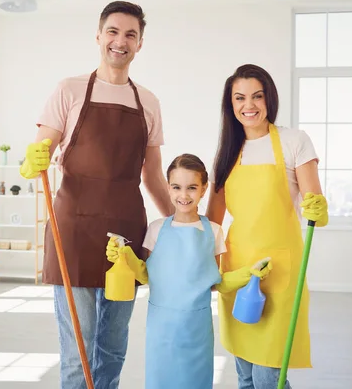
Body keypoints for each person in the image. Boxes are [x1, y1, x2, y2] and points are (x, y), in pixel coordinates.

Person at [19, 1, 174, 389]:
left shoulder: (148, 102)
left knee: (112, 346)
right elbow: (40, 153)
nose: (120, 42)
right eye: (113, 32)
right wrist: (30, 161)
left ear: (140, 44)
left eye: (130, 35)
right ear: (99, 35)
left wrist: (180, 222)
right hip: (73, 232)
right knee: (78, 351)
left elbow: (152, 174)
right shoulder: (68, 90)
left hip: (125, 236)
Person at [206, 64, 329, 389]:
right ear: (230, 105)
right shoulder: (228, 151)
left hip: (280, 272)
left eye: (257, 96)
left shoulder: (294, 140)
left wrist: (319, 208)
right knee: (245, 374)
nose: (249, 105)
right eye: (240, 98)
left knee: (268, 376)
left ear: (269, 99)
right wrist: (203, 263)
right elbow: (213, 221)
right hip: (238, 268)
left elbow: (312, 200)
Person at [105, 154, 272, 389]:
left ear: (204, 189)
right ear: (168, 188)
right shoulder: (156, 229)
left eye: (192, 187)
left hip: (197, 326)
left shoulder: (213, 232)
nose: (184, 195)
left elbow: (216, 282)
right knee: (161, 380)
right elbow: (145, 275)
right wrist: (125, 256)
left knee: (195, 381)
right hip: (161, 327)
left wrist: (248, 274)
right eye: (177, 187)